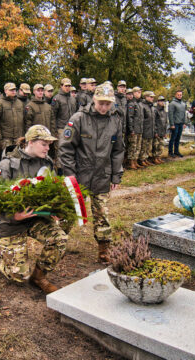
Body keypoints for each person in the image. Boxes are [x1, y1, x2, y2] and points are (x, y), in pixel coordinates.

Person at [0, 125, 66, 294]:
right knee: (19, 276)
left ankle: (39, 277)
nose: (48, 148)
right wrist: (15, 216)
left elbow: (52, 190)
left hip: (36, 219)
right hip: (11, 223)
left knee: (60, 239)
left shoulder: (46, 162)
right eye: (44, 144)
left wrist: (55, 208)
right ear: (30, 142)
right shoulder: (6, 166)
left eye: (49, 144)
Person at [59, 84, 125, 263]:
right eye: (101, 103)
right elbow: (65, 148)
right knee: (70, 212)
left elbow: (118, 150)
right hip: (80, 175)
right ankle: (57, 244)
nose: (104, 107)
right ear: (94, 99)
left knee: (102, 214)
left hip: (102, 175)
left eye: (108, 104)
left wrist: (116, 175)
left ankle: (104, 248)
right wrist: (70, 174)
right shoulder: (79, 118)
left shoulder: (115, 120)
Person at [0, 82, 25, 150]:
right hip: (6, 138)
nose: (13, 91)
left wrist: (23, 135)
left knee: (19, 158)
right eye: (11, 90)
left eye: (14, 90)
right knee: (7, 158)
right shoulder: (0, 103)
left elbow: (24, 120)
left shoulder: (19, 103)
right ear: (5, 91)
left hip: (18, 137)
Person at [126, 87, 144, 169]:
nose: (139, 93)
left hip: (139, 128)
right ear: (133, 93)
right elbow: (130, 117)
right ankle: (131, 162)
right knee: (132, 146)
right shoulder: (131, 104)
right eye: (138, 92)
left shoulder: (139, 103)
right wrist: (131, 129)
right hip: (134, 129)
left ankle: (135, 161)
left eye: (140, 92)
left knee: (138, 146)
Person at [139, 91, 156, 166]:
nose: (152, 98)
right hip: (145, 129)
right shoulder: (143, 106)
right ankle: (142, 159)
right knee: (144, 145)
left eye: (153, 97)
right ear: (146, 97)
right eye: (151, 97)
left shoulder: (151, 106)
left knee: (148, 146)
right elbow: (141, 119)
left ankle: (146, 158)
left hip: (151, 129)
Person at [168, 90, 186, 157]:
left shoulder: (183, 104)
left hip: (181, 123)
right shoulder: (172, 103)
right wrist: (172, 124)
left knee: (178, 138)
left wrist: (184, 122)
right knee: (173, 138)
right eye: (178, 94)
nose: (179, 96)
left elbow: (184, 114)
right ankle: (170, 151)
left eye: (180, 95)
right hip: (175, 123)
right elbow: (170, 114)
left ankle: (176, 151)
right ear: (175, 95)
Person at [153, 95, 167, 163]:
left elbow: (165, 122)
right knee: (156, 145)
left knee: (161, 145)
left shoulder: (164, 111)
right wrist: (155, 131)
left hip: (162, 131)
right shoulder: (155, 110)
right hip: (157, 131)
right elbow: (154, 122)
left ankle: (159, 157)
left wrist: (165, 132)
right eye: (161, 101)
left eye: (163, 101)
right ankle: (155, 158)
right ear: (158, 102)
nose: (162, 102)